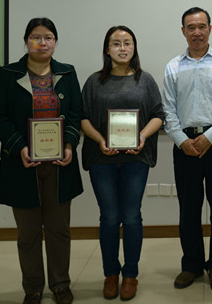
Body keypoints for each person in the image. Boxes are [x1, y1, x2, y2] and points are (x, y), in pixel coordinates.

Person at [0, 18, 83, 304]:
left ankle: (60, 284)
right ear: (26, 41)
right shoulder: (7, 74)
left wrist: (69, 144)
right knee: (28, 233)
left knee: (58, 230)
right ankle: (32, 287)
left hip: (59, 165)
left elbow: (76, 113)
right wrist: (19, 146)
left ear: (55, 41)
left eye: (48, 37)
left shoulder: (67, 72)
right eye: (36, 37)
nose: (42, 43)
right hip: (23, 165)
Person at [80, 25, 165, 301]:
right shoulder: (94, 82)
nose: (122, 48)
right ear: (107, 49)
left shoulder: (145, 80)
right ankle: (110, 274)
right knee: (108, 217)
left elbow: (158, 115)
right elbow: (82, 117)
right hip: (101, 159)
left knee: (131, 216)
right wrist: (99, 140)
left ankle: (130, 274)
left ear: (134, 48)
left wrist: (142, 136)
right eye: (116, 43)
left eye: (127, 43)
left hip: (135, 159)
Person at [163, 7, 212, 292]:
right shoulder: (173, 66)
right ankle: (192, 265)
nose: (197, 32)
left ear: (210, 29)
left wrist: (210, 137)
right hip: (184, 146)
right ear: (183, 31)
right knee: (189, 209)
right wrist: (182, 140)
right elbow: (168, 109)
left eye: (202, 26)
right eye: (191, 27)